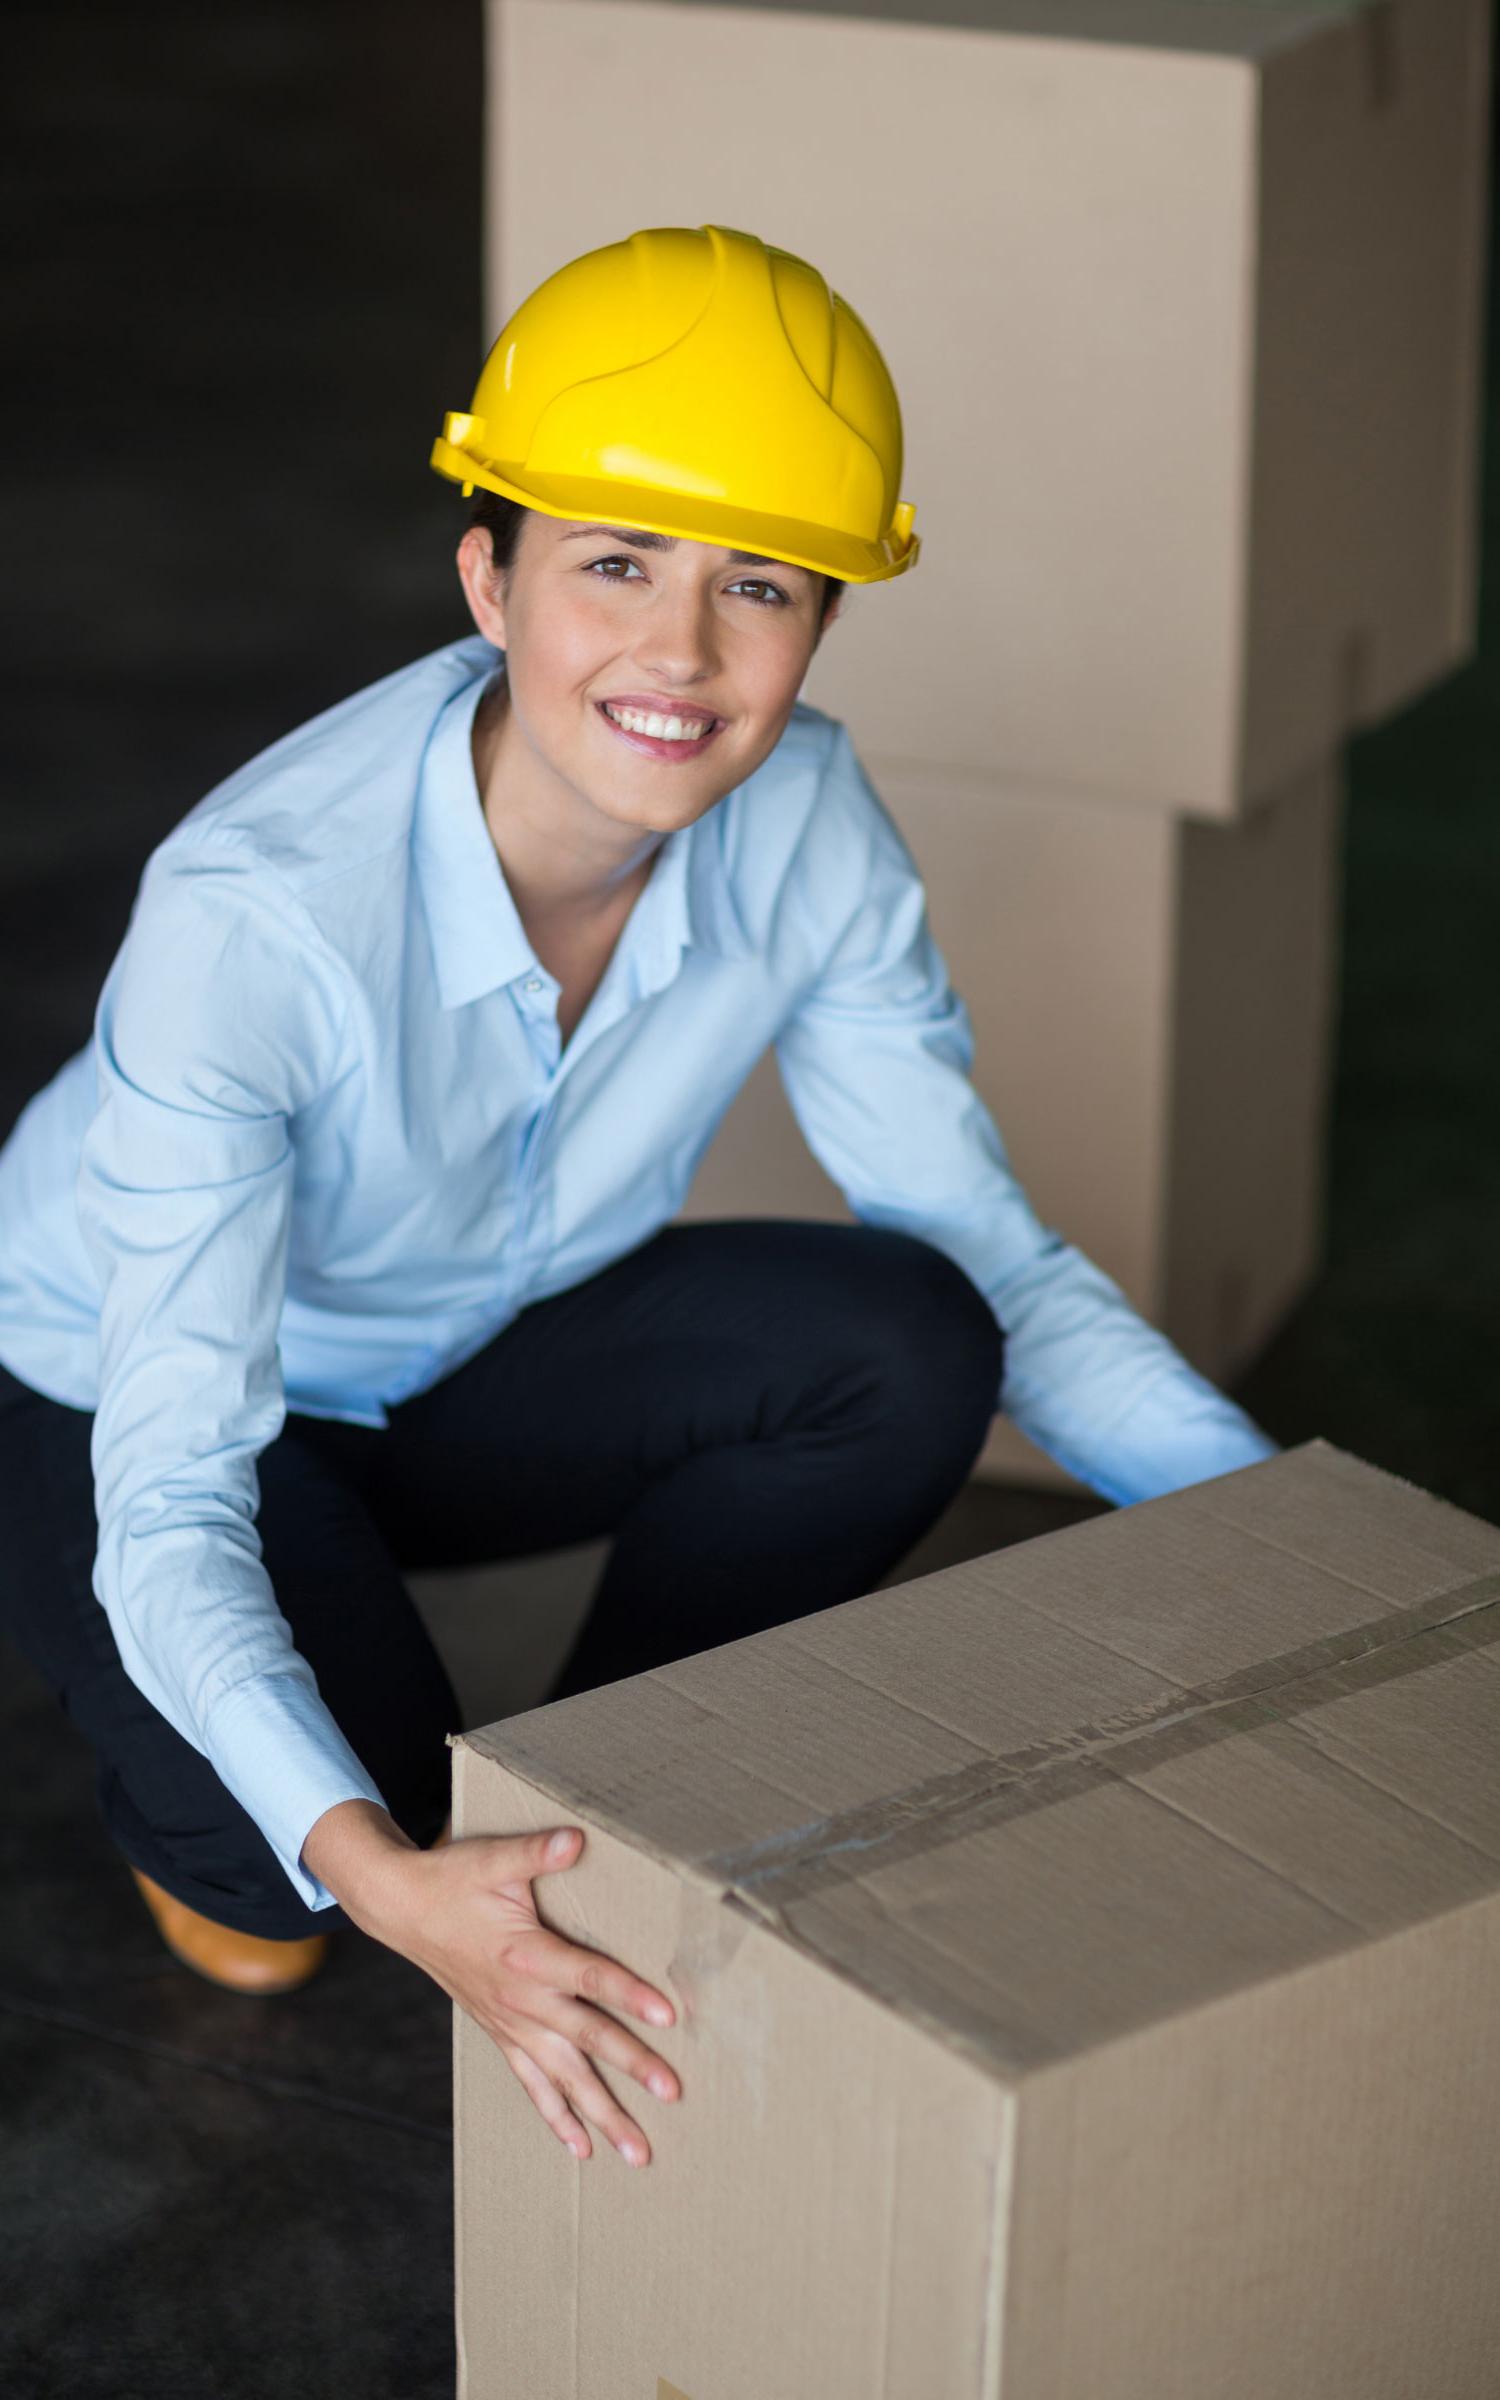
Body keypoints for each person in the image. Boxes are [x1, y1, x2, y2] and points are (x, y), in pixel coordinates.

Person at [0, 224, 1276, 2171]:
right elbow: (173, 1488)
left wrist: (1292, 1540)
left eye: (756, 586)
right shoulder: (253, 917)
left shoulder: (813, 818)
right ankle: (316, 1848)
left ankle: (603, 1811)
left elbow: (991, 1258)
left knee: (909, 1334)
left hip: (452, 1354)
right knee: (326, 1882)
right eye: (614, 563)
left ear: (824, 623)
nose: (680, 655)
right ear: (487, 580)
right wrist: (379, 1869)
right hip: (117, 1390)